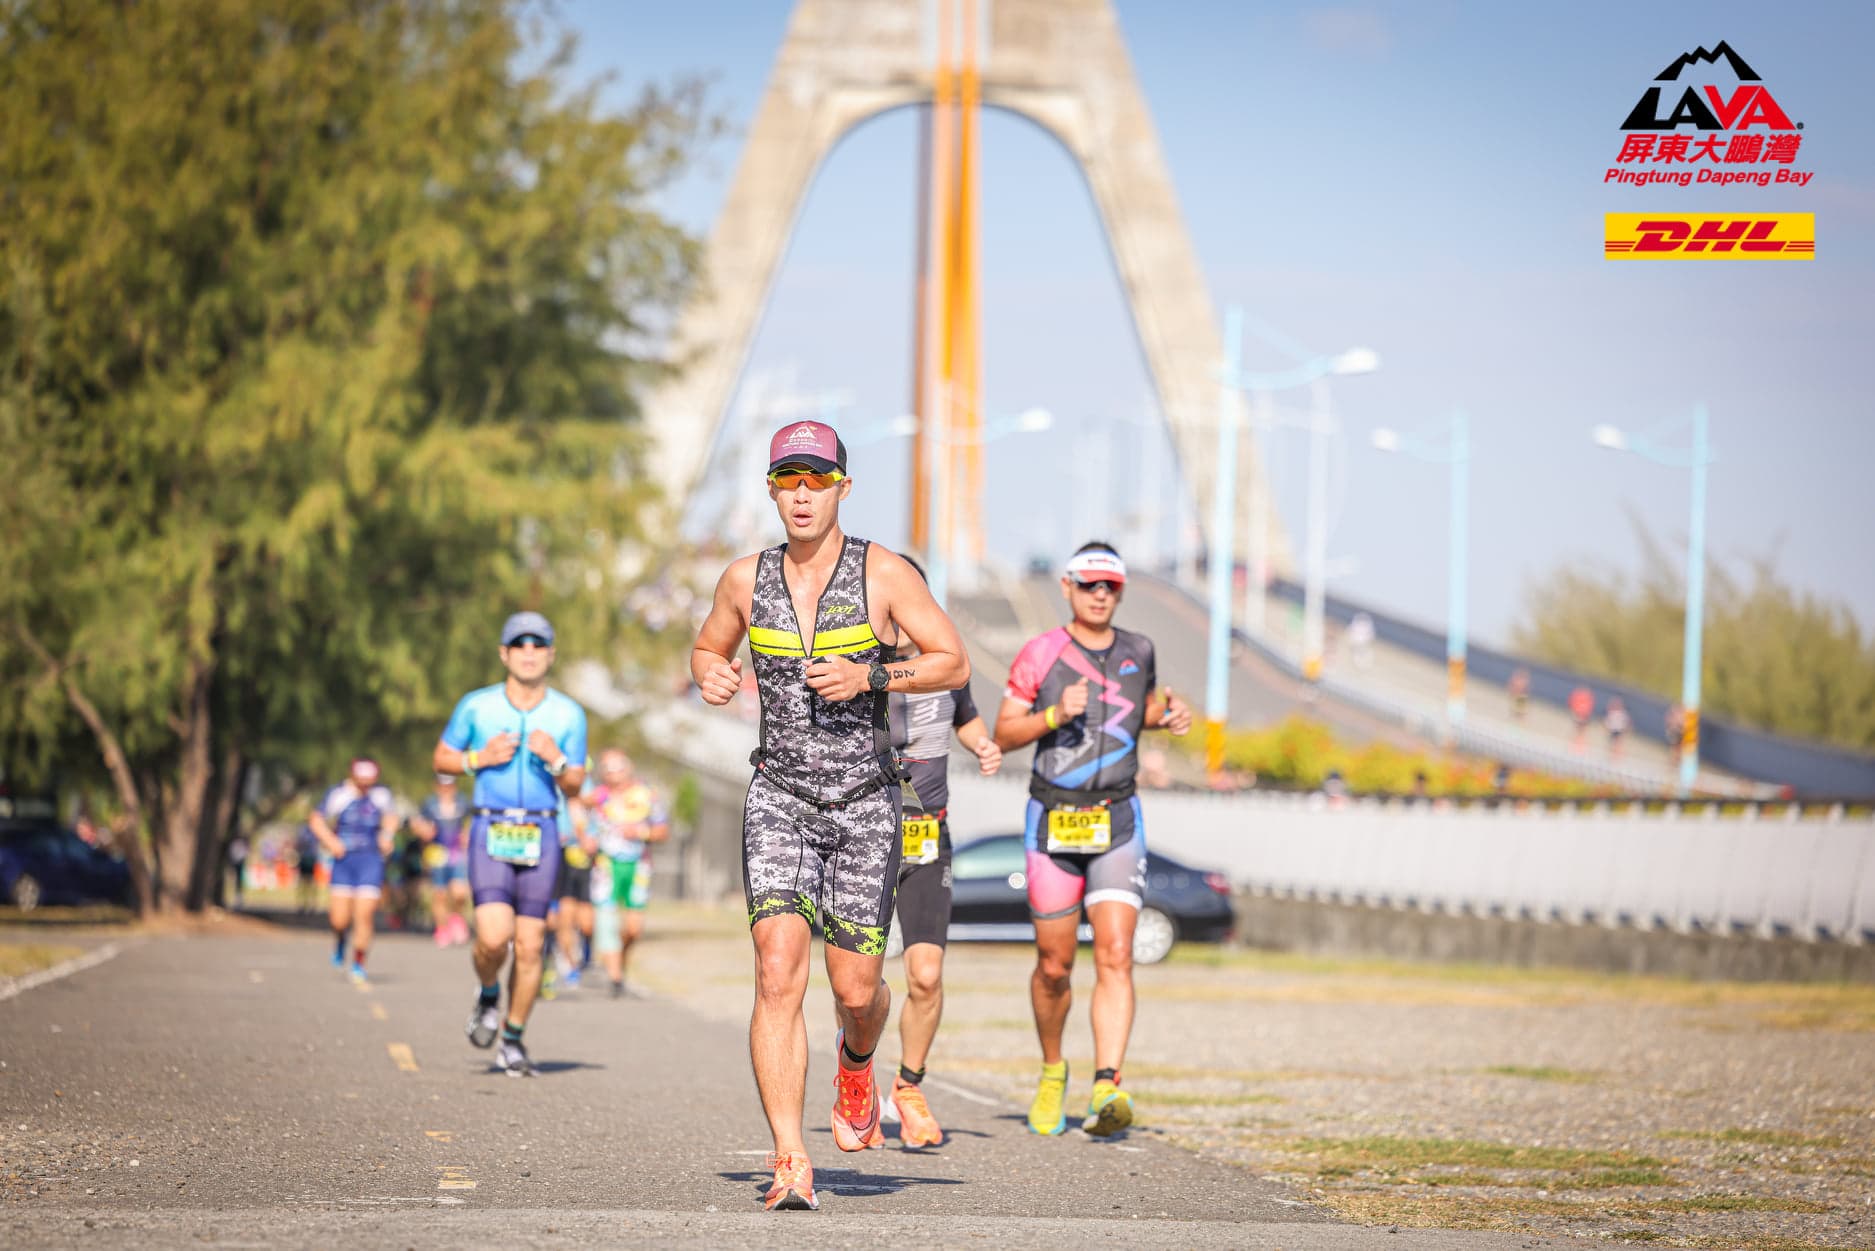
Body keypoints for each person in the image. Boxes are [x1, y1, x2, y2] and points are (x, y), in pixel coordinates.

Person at [690, 419, 970, 1212]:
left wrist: (872, 675)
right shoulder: (746, 579)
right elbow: (708, 647)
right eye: (789, 480)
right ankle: (789, 1156)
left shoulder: (881, 572)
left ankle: (858, 1062)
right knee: (776, 968)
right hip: (777, 796)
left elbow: (951, 657)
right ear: (773, 490)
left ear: (843, 486)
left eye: (818, 480)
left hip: (863, 803)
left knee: (855, 990)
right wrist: (711, 671)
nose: (803, 494)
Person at [993, 542, 1191, 1141]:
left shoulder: (1139, 650)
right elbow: (1003, 733)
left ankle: (1108, 1083)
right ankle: (1054, 1071)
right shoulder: (1041, 652)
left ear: (1121, 592)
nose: (1100, 595)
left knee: (1115, 955)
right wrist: (1053, 715)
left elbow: (1134, 710)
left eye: (1110, 586)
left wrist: (1167, 715)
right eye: (1089, 585)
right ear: (1068, 586)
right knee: (1054, 966)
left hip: (1119, 819)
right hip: (1054, 818)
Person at [434, 611, 588, 1077]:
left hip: (542, 831)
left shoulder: (567, 714)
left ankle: (514, 1038)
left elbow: (577, 784)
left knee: (531, 942)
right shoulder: (477, 707)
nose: (528, 652)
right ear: (504, 653)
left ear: (551, 654)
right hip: (491, 828)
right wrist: (478, 758)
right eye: (518, 644)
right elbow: (441, 758)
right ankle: (487, 994)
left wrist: (556, 760)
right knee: (493, 938)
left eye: (537, 644)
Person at [882, 557, 1002, 1149]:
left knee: (925, 976)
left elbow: (969, 720)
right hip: (862, 832)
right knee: (855, 985)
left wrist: (984, 746)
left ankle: (908, 1087)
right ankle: (851, 1073)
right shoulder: (855, 663)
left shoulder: (949, 665)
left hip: (929, 833)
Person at [583, 750, 671, 998]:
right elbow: (580, 816)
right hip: (606, 865)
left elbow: (662, 831)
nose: (614, 773)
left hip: (638, 866)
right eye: (608, 768)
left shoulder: (647, 795)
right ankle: (615, 977)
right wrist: (586, 838)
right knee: (607, 922)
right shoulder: (597, 798)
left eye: (618, 767)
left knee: (633, 929)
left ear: (629, 768)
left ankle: (620, 960)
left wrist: (641, 832)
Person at [308, 759, 398, 984]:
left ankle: (359, 962)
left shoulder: (381, 796)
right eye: (362, 782)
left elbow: (391, 817)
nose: (366, 786)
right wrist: (331, 842)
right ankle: (340, 939)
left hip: (370, 860)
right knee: (339, 919)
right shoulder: (339, 794)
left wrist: (387, 837)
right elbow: (316, 820)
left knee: (364, 914)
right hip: (344, 860)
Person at [413, 774, 473, 948]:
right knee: (439, 894)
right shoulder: (429, 804)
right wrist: (423, 831)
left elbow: (473, 821)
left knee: (459, 892)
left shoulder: (463, 802)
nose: (446, 789)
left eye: (450, 785)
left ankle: (455, 917)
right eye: (442, 785)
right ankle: (441, 928)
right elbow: (417, 823)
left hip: (457, 852)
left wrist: (468, 833)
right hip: (436, 851)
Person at [295, 823, 320, 914]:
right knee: (302, 883)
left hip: (311, 859)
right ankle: (302, 905)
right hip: (304, 858)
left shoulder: (316, 830)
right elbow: (298, 845)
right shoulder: (303, 831)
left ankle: (312, 905)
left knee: (311, 883)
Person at [225, 832, 249, 909]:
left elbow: (244, 853)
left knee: (239, 881)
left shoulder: (241, 844)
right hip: (235, 863)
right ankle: (234, 897)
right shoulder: (235, 844)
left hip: (240, 863)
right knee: (232, 881)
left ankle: (238, 898)